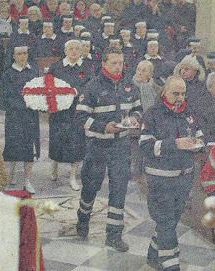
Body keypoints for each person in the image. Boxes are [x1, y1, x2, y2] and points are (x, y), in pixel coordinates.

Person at [75, 47, 142, 252]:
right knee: (91, 185)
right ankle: (83, 217)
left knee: (119, 188)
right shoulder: (92, 87)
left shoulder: (130, 85)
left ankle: (114, 235)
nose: (118, 66)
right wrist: (104, 127)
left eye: (120, 63)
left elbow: (139, 110)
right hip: (97, 146)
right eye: (114, 62)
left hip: (121, 145)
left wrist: (134, 119)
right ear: (104, 63)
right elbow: (80, 118)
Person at [139, 75, 204, 271]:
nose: (180, 97)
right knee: (166, 223)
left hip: (184, 179)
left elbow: (199, 135)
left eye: (183, 93)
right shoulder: (153, 114)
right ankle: (171, 265)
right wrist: (174, 144)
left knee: (170, 222)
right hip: (161, 180)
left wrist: (197, 145)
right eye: (176, 93)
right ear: (164, 92)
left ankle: (153, 254)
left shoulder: (189, 113)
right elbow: (145, 145)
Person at [47, 39, 92, 190]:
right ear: (65, 51)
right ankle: (54, 168)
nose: (74, 51)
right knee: (57, 141)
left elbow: (89, 87)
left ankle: (73, 176)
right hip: (59, 111)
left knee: (77, 143)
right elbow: (48, 86)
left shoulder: (87, 67)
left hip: (77, 111)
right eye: (71, 49)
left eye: (77, 49)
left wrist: (77, 93)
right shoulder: (56, 67)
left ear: (81, 51)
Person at [0, 45, 39, 194]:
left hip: (30, 117)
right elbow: (2, 100)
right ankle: (10, 176)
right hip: (14, 117)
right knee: (12, 147)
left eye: (25, 53)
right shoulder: (8, 74)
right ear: (13, 56)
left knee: (29, 149)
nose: (22, 56)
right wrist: (21, 105)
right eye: (19, 54)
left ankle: (27, 181)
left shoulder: (34, 72)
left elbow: (39, 93)